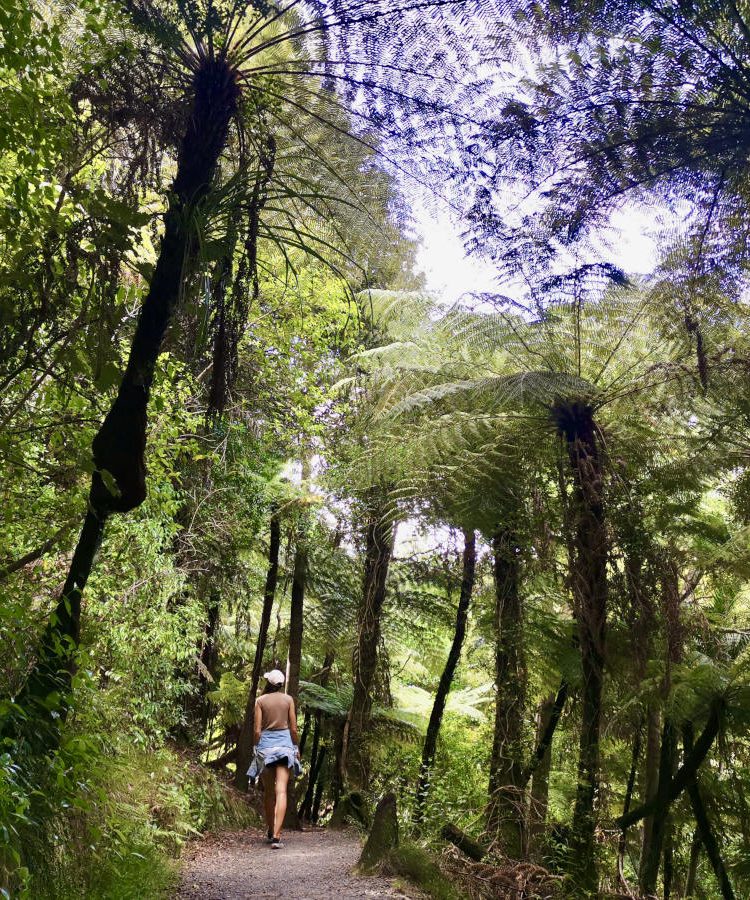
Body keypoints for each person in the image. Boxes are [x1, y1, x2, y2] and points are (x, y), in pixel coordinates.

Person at [248, 669, 301, 850]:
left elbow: (256, 730)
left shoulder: (260, 701)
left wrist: (256, 747)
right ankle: (277, 836)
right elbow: (293, 729)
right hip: (285, 747)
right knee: (282, 791)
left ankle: (271, 830)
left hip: (266, 748)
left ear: (268, 683)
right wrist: (295, 747)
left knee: (269, 793)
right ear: (281, 684)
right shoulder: (288, 700)